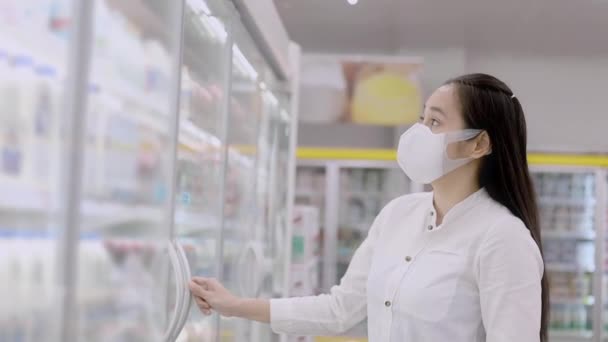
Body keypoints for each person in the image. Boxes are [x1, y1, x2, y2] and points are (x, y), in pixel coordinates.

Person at [189, 73, 548, 342]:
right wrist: (235, 305)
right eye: (422, 119)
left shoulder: (503, 239)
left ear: (479, 144)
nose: (419, 132)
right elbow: (341, 309)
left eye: (435, 122)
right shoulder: (399, 214)